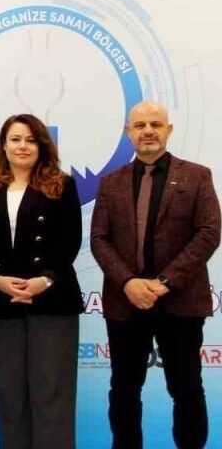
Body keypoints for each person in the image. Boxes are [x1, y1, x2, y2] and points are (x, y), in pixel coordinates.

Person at [91, 100, 220, 449]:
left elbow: (208, 233)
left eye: (155, 124)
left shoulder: (197, 176)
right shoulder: (110, 183)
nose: (148, 131)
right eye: (140, 125)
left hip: (180, 300)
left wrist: (163, 283)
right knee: (124, 389)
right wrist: (128, 282)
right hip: (125, 301)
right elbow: (99, 239)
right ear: (128, 133)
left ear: (169, 130)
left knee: (187, 388)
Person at [0, 114, 82, 449]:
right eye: (15, 139)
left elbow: (70, 239)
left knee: (52, 393)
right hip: (3, 301)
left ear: (42, 146)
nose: (23, 146)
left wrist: (44, 280)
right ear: (3, 145)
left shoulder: (62, 185)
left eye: (31, 140)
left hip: (52, 300)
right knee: (9, 394)